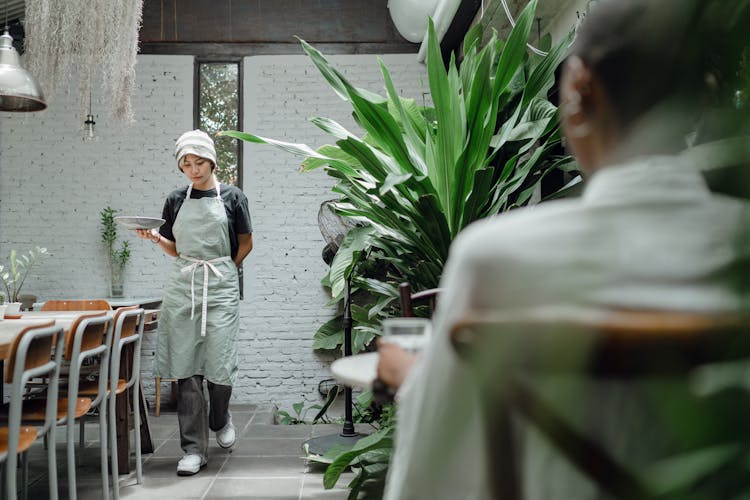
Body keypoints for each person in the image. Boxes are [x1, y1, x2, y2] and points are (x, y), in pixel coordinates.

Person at [379, 1, 750, 499]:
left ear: (578, 90)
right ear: (703, 98)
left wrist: (411, 383)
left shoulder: (495, 260)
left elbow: (428, 480)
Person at [136, 129, 253, 476]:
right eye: (185, 163)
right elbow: (175, 248)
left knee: (219, 364)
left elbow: (245, 242)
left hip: (219, 285)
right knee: (187, 368)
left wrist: (227, 269)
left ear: (212, 161)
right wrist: (156, 238)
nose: (193, 169)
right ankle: (192, 449)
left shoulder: (233, 197)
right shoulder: (175, 200)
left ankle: (221, 416)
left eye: (198, 161)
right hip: (184, 285)